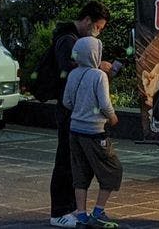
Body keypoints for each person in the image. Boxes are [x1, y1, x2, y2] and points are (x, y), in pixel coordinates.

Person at [48, 1, 112, 228]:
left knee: (76, 161)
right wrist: (97, 69)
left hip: (75, 110)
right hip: (71, 112)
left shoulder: (72, 38)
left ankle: (73, 208)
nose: (98, 32)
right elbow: (68, 72)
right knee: (66, 159)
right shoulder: (68, 40)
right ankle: (59, 211)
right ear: (87, 20)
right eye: (98, 27)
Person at [62, 36, 123, 229]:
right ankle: (98, 212)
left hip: (74, 131)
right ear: (95, 54)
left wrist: (80, 110)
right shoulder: (99, 76)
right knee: (112, 170)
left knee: (80, 173)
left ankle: (81, 216)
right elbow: (105, 104)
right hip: (95, 132)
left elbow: (66, 102)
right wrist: (112, 117)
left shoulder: (73, 74)